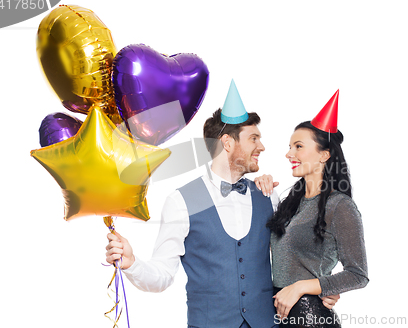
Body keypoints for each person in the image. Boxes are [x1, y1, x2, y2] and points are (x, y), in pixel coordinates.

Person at [106, 80, 339, 328]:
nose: (261, 146)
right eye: (253, 138)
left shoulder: (268, 196)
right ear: (227, 143)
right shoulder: (181, 202)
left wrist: (321, 286)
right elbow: (162, 277)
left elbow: (292, 259)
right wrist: (133, 263)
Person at [262, 90, 369, 327]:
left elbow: (358, 274)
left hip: (311, 318)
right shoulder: (291, 203)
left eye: (298, 146)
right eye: (290, 147)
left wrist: (303, 286)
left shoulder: (340, 206)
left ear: (324, 154)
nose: (289, 154)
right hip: (279, 317)